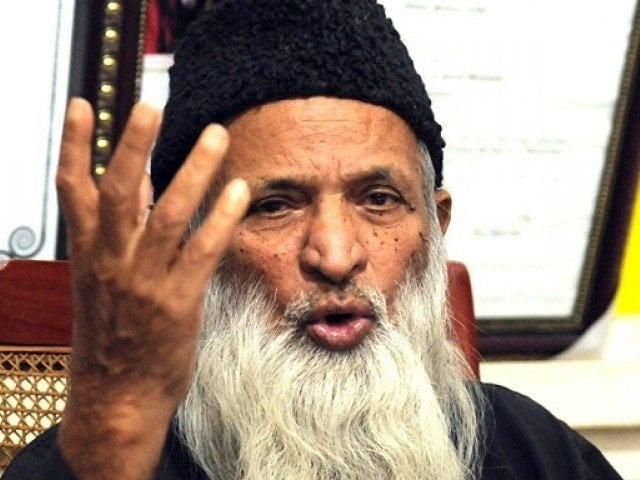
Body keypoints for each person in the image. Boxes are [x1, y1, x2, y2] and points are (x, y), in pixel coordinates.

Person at [4, 1, 622, 479]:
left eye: (379, 200)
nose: (335, 255)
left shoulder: (532, 452)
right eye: (274, 206)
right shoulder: (106, 454)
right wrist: (115, 427)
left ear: (436, 229)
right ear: (188, 247)